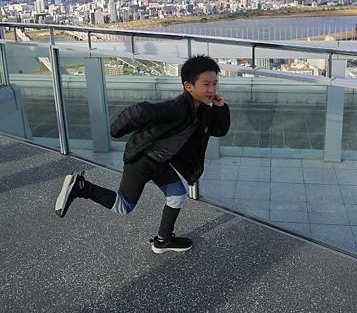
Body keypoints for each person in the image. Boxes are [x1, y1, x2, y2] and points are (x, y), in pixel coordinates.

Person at [54, 55, 230, 254]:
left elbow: (219, 129)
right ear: (188, 86)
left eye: (214, 83)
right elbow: (140, 111)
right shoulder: (179, 107)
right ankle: (81, 186)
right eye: (206, 84)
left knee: (177, 195)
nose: (212, 89)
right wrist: (116, 131)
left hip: (160, 163)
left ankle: (163, 241)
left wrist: (221, 107)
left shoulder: (202, 111)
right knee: (123, 206)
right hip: (142, 160)